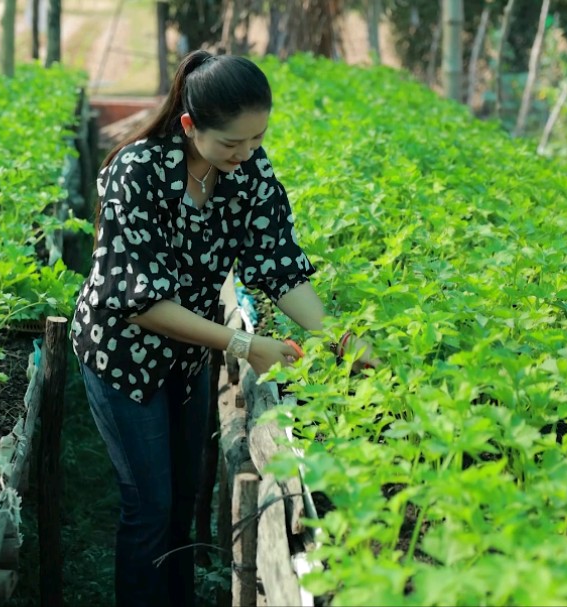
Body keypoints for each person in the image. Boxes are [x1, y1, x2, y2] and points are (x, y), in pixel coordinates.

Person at [70, 49, 380, 607]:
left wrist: (341, 336)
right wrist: (244, 343)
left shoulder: (248, 173)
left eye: (257, 139)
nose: (248, 154)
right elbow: (140, 302)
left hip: (187, 356)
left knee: (184, 497)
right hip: (122, 354)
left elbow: (279, 264)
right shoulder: (137, 172)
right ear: (189, 126)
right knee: (149, 506)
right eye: (232, 143)